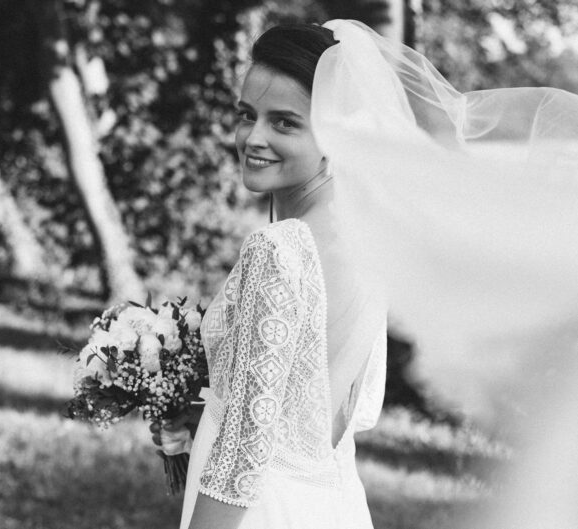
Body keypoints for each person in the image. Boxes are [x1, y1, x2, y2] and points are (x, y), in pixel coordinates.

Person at [155, 19, 578, 529]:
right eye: (248, 115)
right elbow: (310, 414)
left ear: (335, 130)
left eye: (285, 122)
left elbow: (241, 463)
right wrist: (205, 415)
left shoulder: (278, 250)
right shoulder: (367, 234)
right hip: (330, 504)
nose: (253, 137)